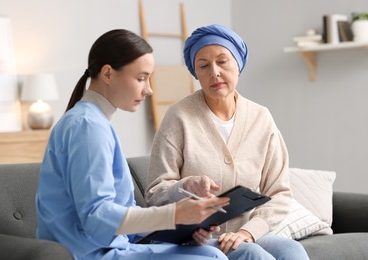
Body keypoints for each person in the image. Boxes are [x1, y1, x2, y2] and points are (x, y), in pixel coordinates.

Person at [35, 29, 231, 260]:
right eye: (141, 78)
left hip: (114, 246)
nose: (149, 89)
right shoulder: (87, 126)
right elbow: (97, 218)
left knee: (209, 252)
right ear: (108, 74)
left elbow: (119, 214)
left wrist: (186, 223)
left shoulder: (95, 122)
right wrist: (174, 214)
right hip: (88, 253)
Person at [145, 24, 310, 260]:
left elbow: (280, 193)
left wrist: (248, 231)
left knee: (292, 251)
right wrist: (185, 185)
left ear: (238, 65)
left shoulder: (260, 118)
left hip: (244, 232)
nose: (214, 72)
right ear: (196, 73)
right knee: (252, 255)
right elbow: (154, 192)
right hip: (194, 237)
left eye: (223, 61)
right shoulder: (178, 117)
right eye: (203, 65)